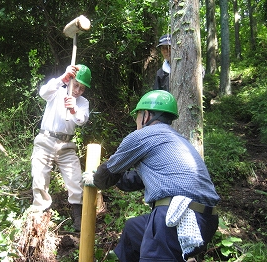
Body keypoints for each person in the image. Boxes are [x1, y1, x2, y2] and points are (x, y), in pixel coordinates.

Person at [82, 90, 220, 261]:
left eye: (137, 116)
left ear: (146, 115)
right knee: (134, 230)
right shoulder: (177, 141)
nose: (136, 122)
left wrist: (95, 179)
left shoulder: (141, 136)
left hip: (176, 216)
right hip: (206, 220)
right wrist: (112, 180)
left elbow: (109, 172)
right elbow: (134, 180)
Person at [31, 64, 91, 232]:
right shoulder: (57, 90)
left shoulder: (83, 103)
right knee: (39, 177)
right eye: (76, 85)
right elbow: (43, 93)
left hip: (66, 145)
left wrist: (73, 108)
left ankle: (78, 217)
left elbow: (82, 120)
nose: (78, 90)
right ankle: (39, 216)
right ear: (70, 81)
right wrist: (61, 79)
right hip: (46, 140)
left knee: (76, 179)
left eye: (82, 88)